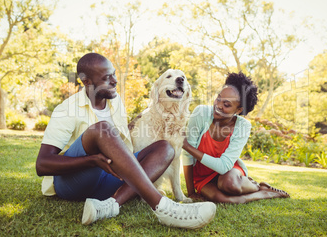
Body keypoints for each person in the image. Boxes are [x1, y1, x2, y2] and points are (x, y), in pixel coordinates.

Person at [35, 53, 216, 229]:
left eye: (114, 74)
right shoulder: (66, 109)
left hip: (110, 179)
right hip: (74, 183)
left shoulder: (115, 101)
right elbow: (42, 165)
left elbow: (121, 143)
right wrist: (91, 160)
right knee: (103, 128)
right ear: (87, 81)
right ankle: (163, 207)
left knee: (166, 148)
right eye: (107, 77)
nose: (114, 80)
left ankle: (112, 204)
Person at [182, 72, 290, 204]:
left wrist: (187, 146)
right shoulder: (201, 113)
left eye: (226, 105)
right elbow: (187, 155)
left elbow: (223, 166)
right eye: (218, 98)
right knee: (221, 199)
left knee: (229, 184)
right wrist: (191, 192)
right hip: (202, 174)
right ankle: (263, 192)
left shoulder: (243, 126)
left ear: (238, 110)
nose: (218, 106)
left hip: (228, 170)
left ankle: (255, 186)